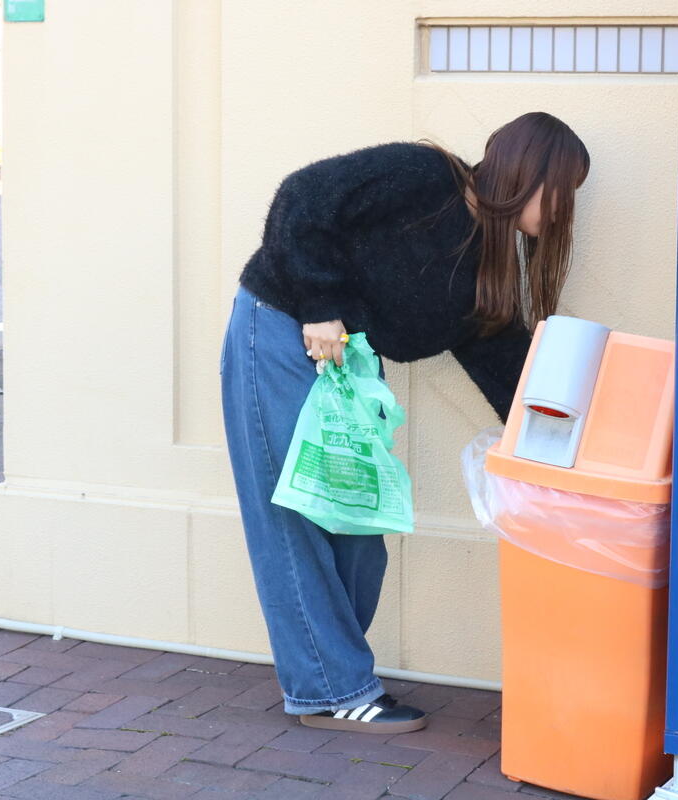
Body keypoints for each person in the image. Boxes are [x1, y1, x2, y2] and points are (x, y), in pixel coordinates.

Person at [219, 112, 590, 734]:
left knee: (360, 525)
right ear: (529, 173)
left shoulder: (484, 269)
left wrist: (567, 439)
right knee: (294, 517)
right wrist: (319, 306)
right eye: (562, 191)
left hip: (349, 368)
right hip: (281, 331)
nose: (563, 211)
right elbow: (303, 197)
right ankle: (332, 689)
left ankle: (326, 670)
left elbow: (502, 360)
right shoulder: (424, 176)